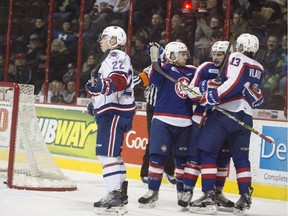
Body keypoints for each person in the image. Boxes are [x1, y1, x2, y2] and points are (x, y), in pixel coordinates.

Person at [189, 33, 265, 215]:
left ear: (240, 46)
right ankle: (245, 197)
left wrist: (213, 96)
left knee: (208, 152)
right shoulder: (260, 67)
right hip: (245, 117)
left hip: (226, 113)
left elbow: (234, 83)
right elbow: (253, 94)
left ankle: (208, 195)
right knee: (241, 158)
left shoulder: (237, 57)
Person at [138, 41, 197, 207]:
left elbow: (203, 84)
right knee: (156, 156)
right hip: (162, 120)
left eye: (186, 53)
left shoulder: (193, 71)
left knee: (181, 160)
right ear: (172, 55)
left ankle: (182, 193)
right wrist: (154, 58)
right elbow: (154, 78)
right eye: (182, 53)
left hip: (185, 123)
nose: (186, 56)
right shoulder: (162, 69)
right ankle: (153, 191)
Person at [178, 41, 235, 213]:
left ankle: (217, 193)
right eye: (215, 53)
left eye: (220, 54)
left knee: (223, 159)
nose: (216, 57)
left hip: (222, 121)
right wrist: (205, 86)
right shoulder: (204, 68)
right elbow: (189, 92)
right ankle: (187, 191)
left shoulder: (233, 71)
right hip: (201, 120)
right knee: (194, 156)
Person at [85, 26, 136, 215]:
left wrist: (103, 86)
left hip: (115, 113)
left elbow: (119, 80)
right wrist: (96, 102)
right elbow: (106, 86)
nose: (100, 41)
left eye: (104, 37)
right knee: (113, 155)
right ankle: (120, 194)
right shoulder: (109, 58)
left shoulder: (116, 55)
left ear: (114, 40)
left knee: (106, 155)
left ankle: (114, 193)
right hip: (113, 111)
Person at [134, 64, 176, 185]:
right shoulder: (152, 68)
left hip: (170, 108)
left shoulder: (176, 69)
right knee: (154, 139)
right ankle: (146, 172)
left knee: (172, 138)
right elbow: (139, 80)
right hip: (154, 108)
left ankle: (169, 170)